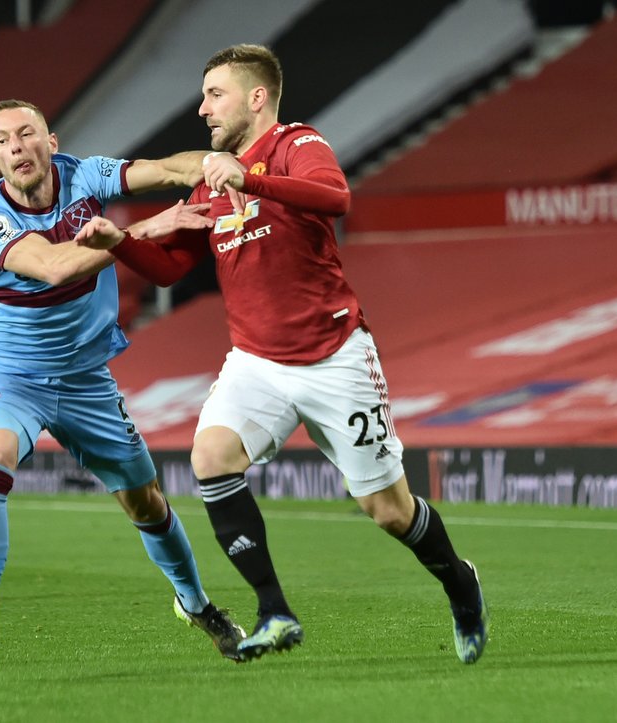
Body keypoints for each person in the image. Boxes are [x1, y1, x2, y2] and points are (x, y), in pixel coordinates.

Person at [73, 44, 490, 664]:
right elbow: (169, 270)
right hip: (257, 361)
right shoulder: (217, 180)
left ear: (257, 97)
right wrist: (120, 244)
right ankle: (274, 611)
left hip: (334, 354)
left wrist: (252, 178)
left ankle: (460, 582)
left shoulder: (297, 144)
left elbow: (336, 198)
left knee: (387, 510)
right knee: (210, 457)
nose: (203, 108)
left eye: (216, 94)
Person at [0, 99, 241, 669]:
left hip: (85, 379)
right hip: (12, 373)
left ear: (50, 142)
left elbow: (169, 168)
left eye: (27, 134)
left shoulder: (86, 174)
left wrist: (230, 166)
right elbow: (53, 266)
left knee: (145, 502)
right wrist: (144, 229)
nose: (17, 147)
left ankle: (198, 605)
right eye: (3, 141)